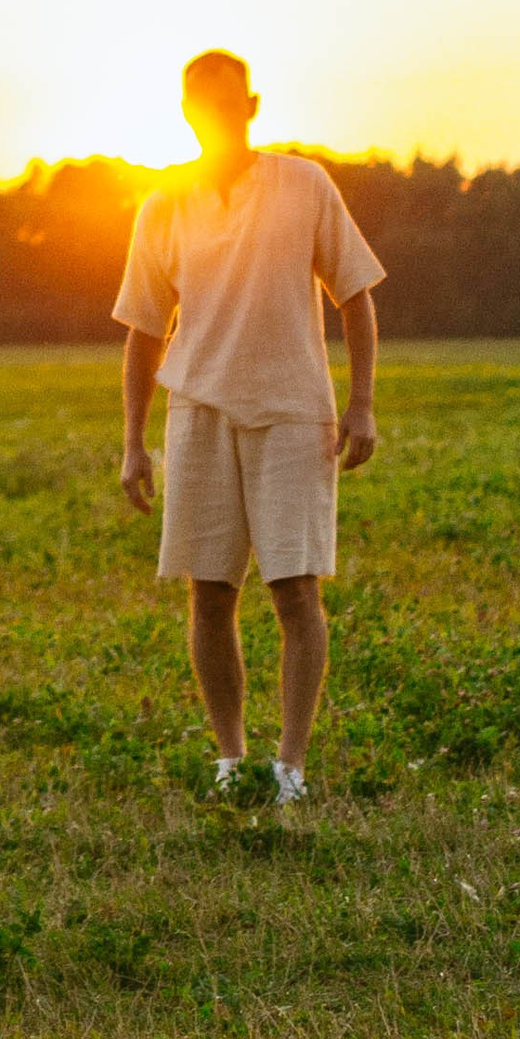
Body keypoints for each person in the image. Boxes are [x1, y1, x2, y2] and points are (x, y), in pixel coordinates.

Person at [115, 50, 382, 807]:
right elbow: (143, 331)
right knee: (209, 594)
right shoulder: (163, 204)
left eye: (228, 101)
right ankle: (232, 762)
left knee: (296, 592)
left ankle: (290, 769)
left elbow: (356, 296)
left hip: (294, 411)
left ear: (251, 105)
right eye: (201, 104)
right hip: (198, 413)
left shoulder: (304, 184)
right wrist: (134, 442)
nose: (215, 115)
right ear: (186, 112)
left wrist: (361, 403)